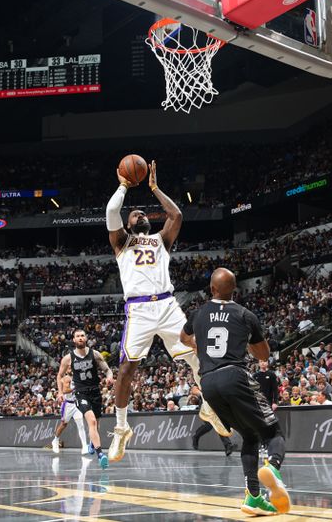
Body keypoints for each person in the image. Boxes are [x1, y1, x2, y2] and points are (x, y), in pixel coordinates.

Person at [105, 160, 228, 463]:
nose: (140, 214)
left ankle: (210, 406)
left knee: (199, 352)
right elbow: (111, 213)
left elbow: (176, 214)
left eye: (143, 213)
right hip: (140, 309)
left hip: (168, 305)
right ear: (129, 224)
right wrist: (123, 184)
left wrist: (155, 188)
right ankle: (121, 429)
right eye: (135, 214)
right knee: (125, 370)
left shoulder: (161, 240)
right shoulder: (121, 242)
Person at [181, 267, 289, 515]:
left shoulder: (198, 314)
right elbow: (263, 354)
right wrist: (246, 344)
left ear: (211, 288)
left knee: (250, 436)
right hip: (234, 375)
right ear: (235, 290)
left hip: (208, 382)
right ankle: (272, 467)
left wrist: (200, 346)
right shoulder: (244, 314)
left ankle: (253, 497)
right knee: (273, 432)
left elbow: (183, 338)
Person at [56, 329, 114, 469]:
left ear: (86, 338)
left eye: (82, 335)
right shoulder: (68, 358)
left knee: (96, 425)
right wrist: (59, 392)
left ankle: (92, 444)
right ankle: (101, 454)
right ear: (74, 340)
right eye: (78, 336)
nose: (80, 338)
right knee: (92, 421)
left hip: (95, 392)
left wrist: (109, 377)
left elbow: (107, 369)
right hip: (80, 393)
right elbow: (59, 375)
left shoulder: (94, 354)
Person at [51, 371, 89, 455]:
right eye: (68, 368)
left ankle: (84, 446)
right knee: (64, 424)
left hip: (76, 404)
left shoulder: (78, 377)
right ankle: (55, 440)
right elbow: (65, 390)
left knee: (81, 425)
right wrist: (77, 388)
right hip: (68, 404)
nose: (70, 369)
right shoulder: (67, 378)